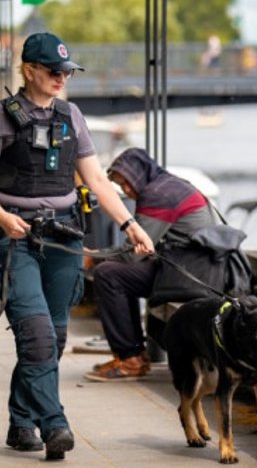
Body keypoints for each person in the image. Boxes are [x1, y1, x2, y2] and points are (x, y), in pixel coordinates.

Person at [0, 32, 154, 460]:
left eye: (67, 72)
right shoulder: (0, 116)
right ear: (29, 71)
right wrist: (1, 216)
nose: (62, 78)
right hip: (17, 239)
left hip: (65, 238)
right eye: (54, 71)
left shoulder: (72, 116)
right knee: (36, 338)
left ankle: (20, 420)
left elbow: (98, 181)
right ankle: (55, 424)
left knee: (51, 338)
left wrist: (129, 225)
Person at [84, 147, 220, 382]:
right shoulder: (170, 184)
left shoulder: (158, 195)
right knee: (116, 273)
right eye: (121, 187)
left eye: (126, 183)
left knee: (108, 274)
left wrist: (94, 257)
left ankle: (130, 359)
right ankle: (134, 354)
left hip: (191, 276)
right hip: (198, 270)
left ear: (138, 175)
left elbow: (134, 253)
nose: (126, 191)